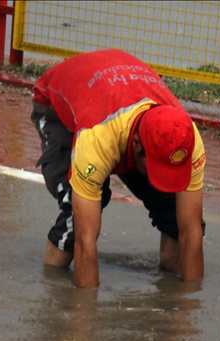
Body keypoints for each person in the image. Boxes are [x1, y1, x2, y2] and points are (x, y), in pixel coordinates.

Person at [31, 49, 206, 288]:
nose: (162, 177)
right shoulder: (97, 137)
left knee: (173, 209)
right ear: (135, 145)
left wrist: (189, 308)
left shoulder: (188, 139)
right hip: (61, 110)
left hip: (120, 102)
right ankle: (51, 282)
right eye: (156, 168)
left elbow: (191, 230)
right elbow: (86, 240)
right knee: (77, 214)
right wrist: (85, 316)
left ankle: (171, 288)